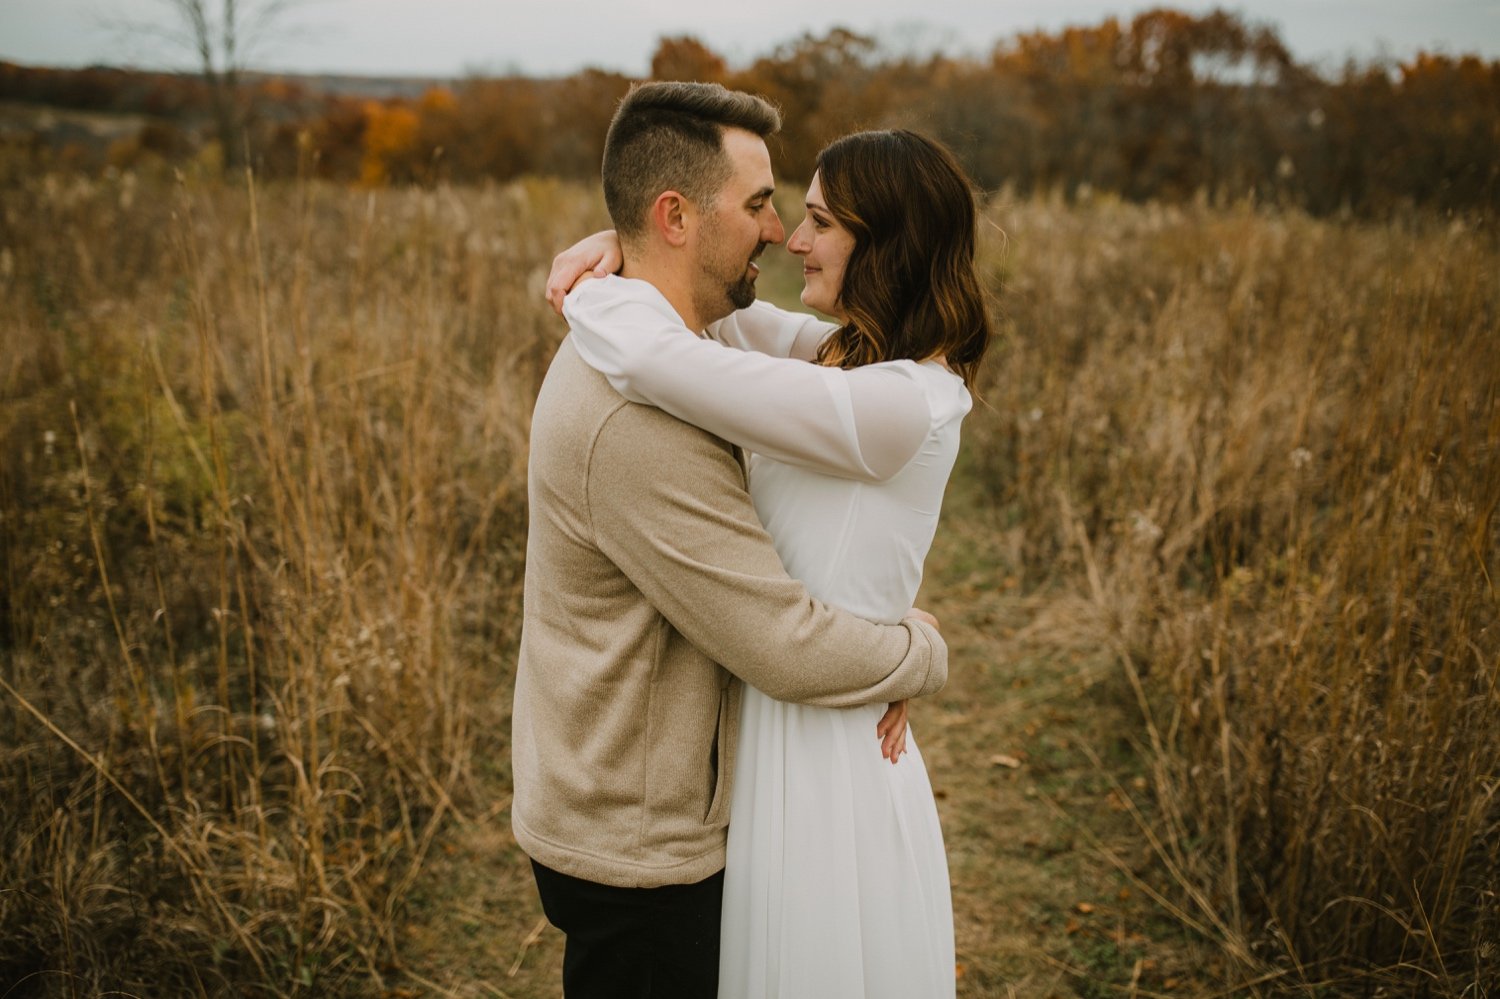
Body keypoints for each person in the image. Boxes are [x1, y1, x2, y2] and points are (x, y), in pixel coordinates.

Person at [511, 82, 951, 999]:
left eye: (804, 214)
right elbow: (779, 640)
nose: (780, 230)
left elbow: (738, 346)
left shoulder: (705, 348)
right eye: (758, 204)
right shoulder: (636, 418)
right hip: (639, 847)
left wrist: (616, 261)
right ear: (677, 215)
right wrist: (917, 648)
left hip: (682, 810)